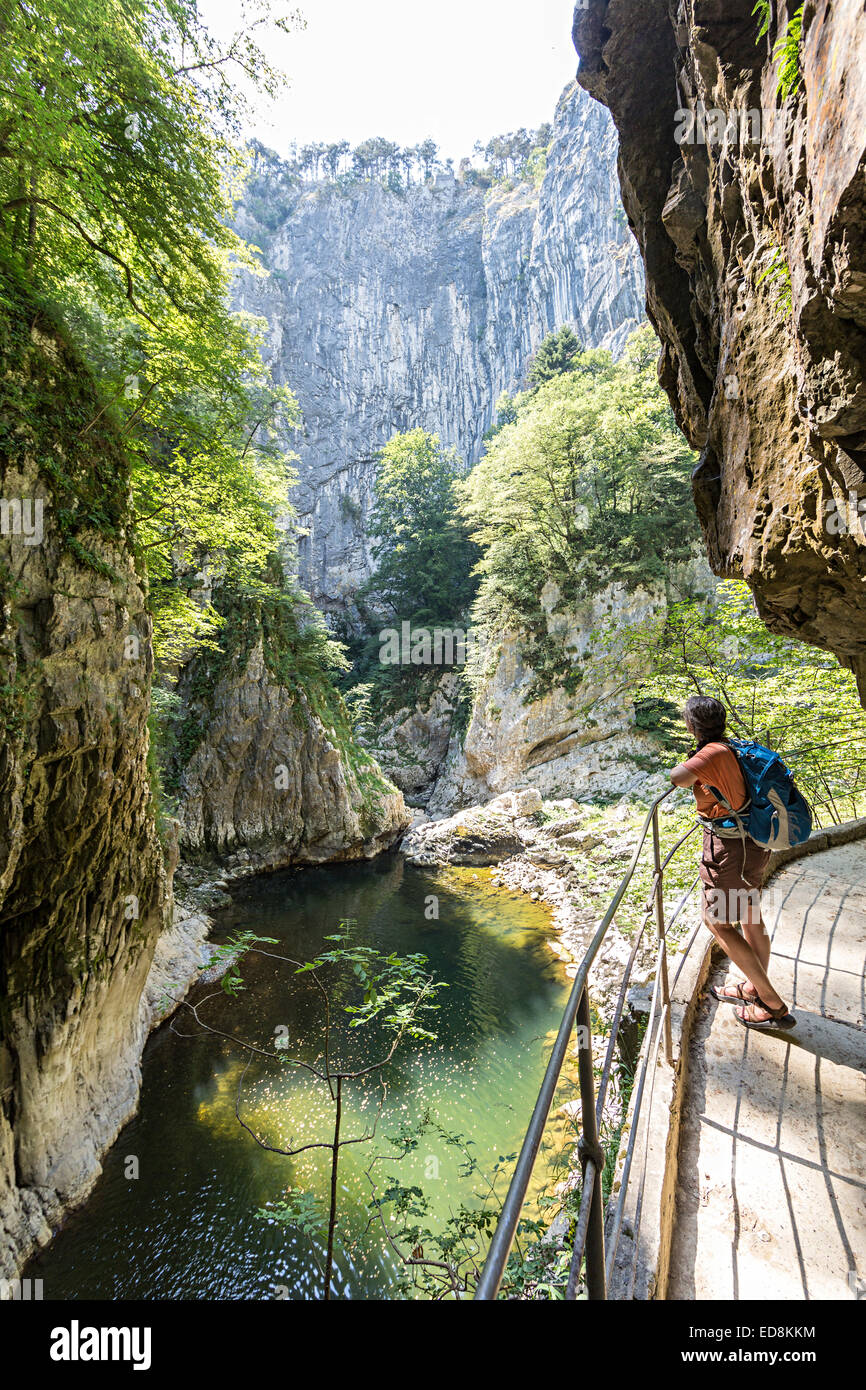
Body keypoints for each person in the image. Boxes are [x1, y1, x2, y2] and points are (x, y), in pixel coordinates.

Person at [668, 695, 795, 1031]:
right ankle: (754, 987)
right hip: (750, 843)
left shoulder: (712, 753)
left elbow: (677, 777)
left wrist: (695, 764)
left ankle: (770, 1003)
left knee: (718, 923)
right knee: (750, 916)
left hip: (729, 851)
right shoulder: (731, 746)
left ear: (692, 725)